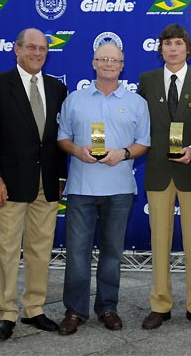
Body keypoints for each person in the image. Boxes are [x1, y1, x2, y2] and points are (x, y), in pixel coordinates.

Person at [0, 28, 68, 341]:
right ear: (17, 49)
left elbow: (59, 139)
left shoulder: (57, 88)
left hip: (47, 183)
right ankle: (5, 312)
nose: (37, 53)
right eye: (31, 47)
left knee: (40, 249)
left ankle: (34, 308)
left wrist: (60, 178)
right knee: (6, 250)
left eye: (43, 49)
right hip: (9, 184)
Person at [56, 42, 150, 334]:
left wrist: (122, 153)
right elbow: (62, 138)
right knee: (77, 253)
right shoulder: (75, 99)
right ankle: (74, 310)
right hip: (82, 187)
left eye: (115, 60)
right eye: (103, 59)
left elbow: (143, 143)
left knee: (111, 253)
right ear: (94, 63)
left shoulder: (137, 102)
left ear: (122, 66)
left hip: (119, 189)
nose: (109, 64)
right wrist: (76, 151)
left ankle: (108, 307)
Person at [138, 23, 191, 331]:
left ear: (188, 48)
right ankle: (160, 304)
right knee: (159, 241)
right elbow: (139, 123)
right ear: (160, 49)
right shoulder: (146, 80)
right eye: (167, 43)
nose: (173, 48)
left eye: (178, 43)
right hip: (158, 171)